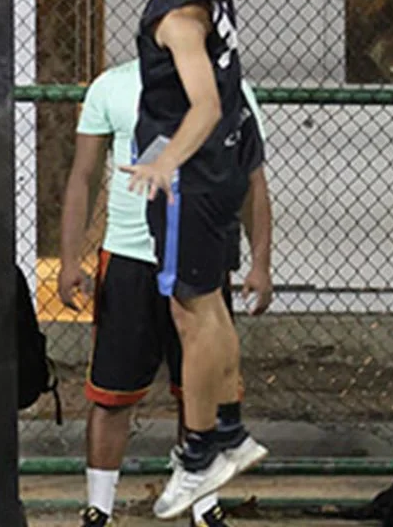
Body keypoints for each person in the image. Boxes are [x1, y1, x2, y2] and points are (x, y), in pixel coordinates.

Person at [108, 0, 277, 520]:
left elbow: (205, 104)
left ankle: (198, 453)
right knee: (202, 305)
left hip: (200, 167)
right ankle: (233, 431)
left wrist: (164, 161)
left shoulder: (181, 17)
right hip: (219, 162)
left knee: (190, 309)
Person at [58, 59, 275, 527]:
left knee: (201, 388)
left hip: (201, 257)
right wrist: (70, 259)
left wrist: (260, 263)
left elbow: (253, 183)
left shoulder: (228, 89)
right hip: (128, 258)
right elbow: (83, 175)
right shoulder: (112, 87)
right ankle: (99, 508)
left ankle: (202, 505)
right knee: (111, 394)